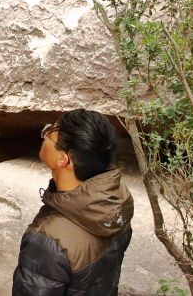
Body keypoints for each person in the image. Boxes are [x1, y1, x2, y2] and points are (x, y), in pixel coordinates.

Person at [12, 109, 134, 295]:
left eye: (49, 133)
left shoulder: (47, 243)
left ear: (62, 160)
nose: (44, 135)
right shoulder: (117, 201)